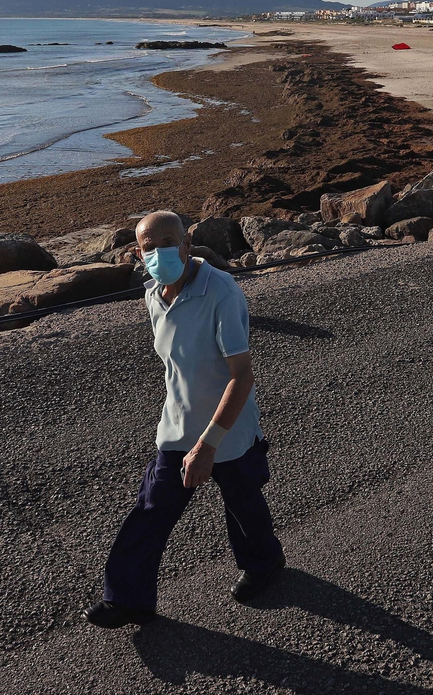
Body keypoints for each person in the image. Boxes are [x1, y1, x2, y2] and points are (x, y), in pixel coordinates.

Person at [83, 211, 285, 628]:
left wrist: (208, 445)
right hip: (176, 427)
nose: (159, 253)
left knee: (243, 503)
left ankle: (264, 565)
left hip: (228, 430)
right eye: (148, 247)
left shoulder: (222, 291)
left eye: (167, 242)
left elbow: (242, 376)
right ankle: (128, 598)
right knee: (151, 509)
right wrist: (189, 440)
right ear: (138, 253)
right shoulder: (153, 295)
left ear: (187, 244)